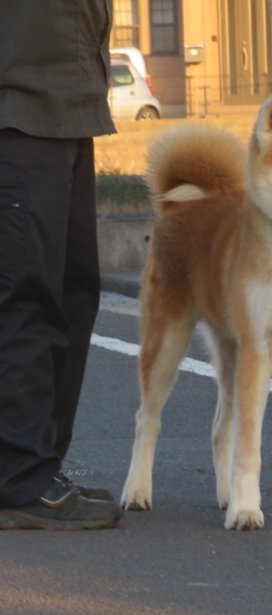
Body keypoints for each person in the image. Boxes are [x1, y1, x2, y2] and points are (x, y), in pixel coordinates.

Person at [0, 0, 122, 529]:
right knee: (28, 295)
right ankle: (20, 478)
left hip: (71, 105)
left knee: (74, 291)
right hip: (19, 110)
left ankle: (39, 464)